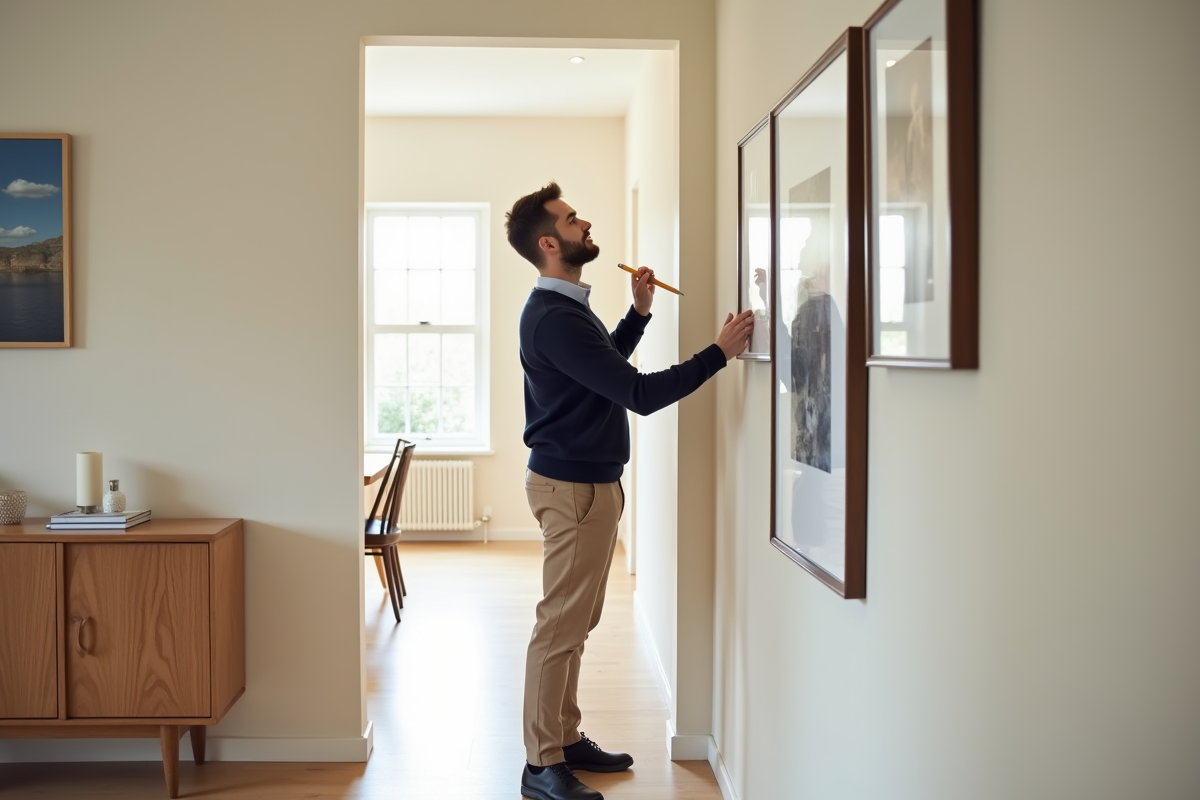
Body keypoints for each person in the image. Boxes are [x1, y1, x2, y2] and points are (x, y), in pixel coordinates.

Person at [504, 182, 755, 800]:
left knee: (576, 622)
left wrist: (638, 313)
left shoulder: (566, 308)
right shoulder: (554, 317)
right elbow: (636, 394)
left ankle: (564, 739)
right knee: (559, 626)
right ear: (548, 242)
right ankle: (541, 765)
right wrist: (717, 354)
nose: (583, 222)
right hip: (573, 490)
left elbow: (601, 374)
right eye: (570, 219)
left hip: (587, 486)